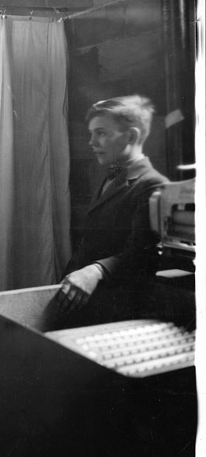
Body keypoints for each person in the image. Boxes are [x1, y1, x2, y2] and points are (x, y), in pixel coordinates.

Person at [55, 95, 169, 324]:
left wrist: (95, 271)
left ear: (131, 136)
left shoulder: (152, 184)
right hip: (82, 298)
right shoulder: (108, 174)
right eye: (91, 133)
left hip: (116, 308)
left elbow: (141, 254)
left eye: (101, 133)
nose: (92, 142)